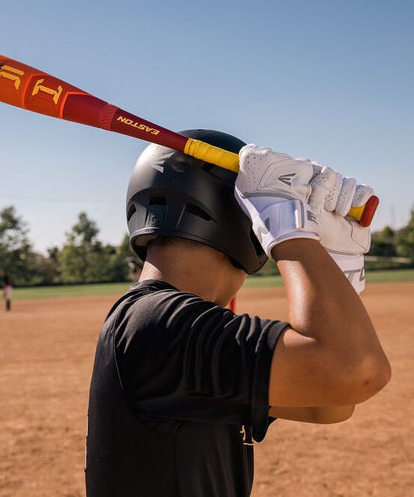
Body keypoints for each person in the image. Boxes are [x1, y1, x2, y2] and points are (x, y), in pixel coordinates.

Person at [85, 130, 391, 497]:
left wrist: (337, 269)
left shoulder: (162, 323)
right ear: (243, 219)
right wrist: (291, 230)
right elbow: (356, 370)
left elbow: (329, 402)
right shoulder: (157, 323)